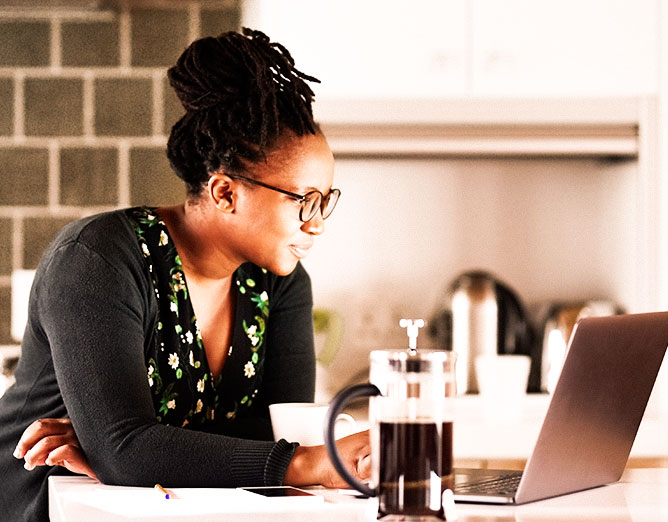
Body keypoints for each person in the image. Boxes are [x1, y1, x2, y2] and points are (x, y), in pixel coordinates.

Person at [0, 28, 370, 521]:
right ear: (224, 193)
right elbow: (130, 450)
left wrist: (132, 448)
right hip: (47, 504)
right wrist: (126, 449)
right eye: (304, 200)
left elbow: (278, 432)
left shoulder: (278, 282)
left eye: (327, 201)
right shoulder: (98, 260)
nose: (318, 222)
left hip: (171, 506)